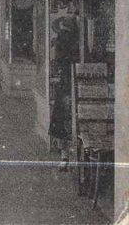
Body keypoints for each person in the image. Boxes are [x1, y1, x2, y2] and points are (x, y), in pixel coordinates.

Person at [49, 14, 79, 170]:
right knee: (66, 118)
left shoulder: (63, 38)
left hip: (67, 83)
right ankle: (66, 156)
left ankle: (65, 156)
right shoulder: (73, 38)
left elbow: (59, 59)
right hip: (70, 82)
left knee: (63, 118)